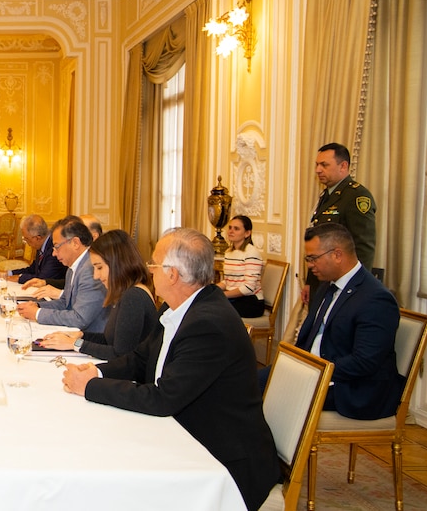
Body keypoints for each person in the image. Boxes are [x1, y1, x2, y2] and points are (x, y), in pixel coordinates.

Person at [61, 228, 279, 511]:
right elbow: (139, 359)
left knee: (115, 478)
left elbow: (164, 398)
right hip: (186, 431)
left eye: (154, 264)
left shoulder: (208, 324)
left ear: (172, 274)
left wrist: (90, 387)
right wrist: (95, 372)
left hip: (221, 459)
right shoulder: (177, 309)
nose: (149, 270)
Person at [293, 223, 402, 419]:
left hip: (351, 389)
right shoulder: (327, 286)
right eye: (307, 259)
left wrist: (314, 372)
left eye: (313, 258)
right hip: (315, 373)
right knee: (245, 382)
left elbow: (364, 362)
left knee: (271, 394)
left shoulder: (376, 298)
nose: (309, 265)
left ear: (337, 254)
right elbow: (309, 338)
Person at [37, 230, 157, 360]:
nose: (96, 276)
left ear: (117, 263)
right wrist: (79, 336)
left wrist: (75, 344)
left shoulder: (133, 297)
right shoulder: (127, 293)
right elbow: (109, 339)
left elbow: (120, 355)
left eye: (99, 268)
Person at [303, 142, 376, 304]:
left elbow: (363, 247)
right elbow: (317, 246)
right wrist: (309, 282)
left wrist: (355, 286)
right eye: (316, 165)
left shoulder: (356, 196)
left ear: (343, 166)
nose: (318, 170)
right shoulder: (326, 196)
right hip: (321, 282)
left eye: (324, 165)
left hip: (342, 284)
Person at [15, 216, 109, 333]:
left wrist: (38, 313)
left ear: (75, 243)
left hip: (90, 339)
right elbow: (65, 302)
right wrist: (37, 306)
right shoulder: (73, 267)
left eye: (57, 246)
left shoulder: (90, 269)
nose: (54, 253)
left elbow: (80, 318)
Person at [22, 213, 102, 296]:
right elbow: (70, 285)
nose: (78, 233)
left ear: (94, 236)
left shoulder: (94, 267)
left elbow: (79, 304)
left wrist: (58, 294)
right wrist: (45, 282)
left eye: (81, 229)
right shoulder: (74, 265)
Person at [217, 215, 265, 317]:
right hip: (234, 298)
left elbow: (249, 288)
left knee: (215, 309)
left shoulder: (251, 253)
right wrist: (213, 289)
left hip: (251, 302)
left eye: (236, 229)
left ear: (247, 233)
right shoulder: (228, 252)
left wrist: (222, 295)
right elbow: (229, 281)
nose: (231, 231)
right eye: (230, 228)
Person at [6, 214, 66, 284]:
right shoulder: (41, 245)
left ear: (38, 238)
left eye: (27, 239)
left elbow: (42, 278)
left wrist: (20, 278)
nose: (27, 243)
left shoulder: (53, 249)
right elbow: (33, 269)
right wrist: (9, 273)